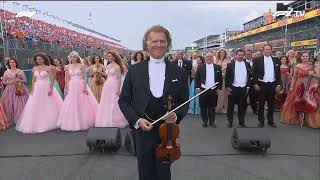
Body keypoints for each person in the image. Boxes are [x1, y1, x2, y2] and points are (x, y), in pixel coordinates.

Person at [119, 25, 189, 180]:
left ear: (168, 44)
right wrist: (136, 120)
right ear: (147, 44)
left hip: (168, 132)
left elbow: (185, 101)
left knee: (164, 173)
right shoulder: (134, 70)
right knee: (145, 173)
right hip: (143, 130)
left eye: (162, 41)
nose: (158, 44)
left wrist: (176, 115)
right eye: (154, 41)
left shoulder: (180, 72)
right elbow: (123, 101)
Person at [16, 53, 63, 134]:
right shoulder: (34, 68)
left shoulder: (48, 68)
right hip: (37, 89)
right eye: (37, 59)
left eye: (40, 59)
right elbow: (33, 80)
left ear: (44, 59)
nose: (39, 61)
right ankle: (37, 122)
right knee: (36, 105)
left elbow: (52, 79)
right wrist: (32, 89)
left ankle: (51, 121)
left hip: (46, 87)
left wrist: (51, 89)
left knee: (49, 104)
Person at [57, 51, 98, 131]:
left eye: (74, 57)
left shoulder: (81, 66)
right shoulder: (67, 67)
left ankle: (85, 119)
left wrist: (84, 87)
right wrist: (66, 87)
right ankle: (72, 120)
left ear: (77, 57)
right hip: (72, 85)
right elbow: (67, 78)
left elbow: (84, 77)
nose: (73, 58)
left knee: (83, 102)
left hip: (80, 84)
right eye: (71, 57)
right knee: (72, 103)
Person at [280, 52, 320, 128]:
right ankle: (297, 119)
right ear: (300, 57)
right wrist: (291, 87)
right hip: (298, 85)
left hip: (309, 86)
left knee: (310, 101)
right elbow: (294, 77)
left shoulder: (313, 65)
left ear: (309, 57)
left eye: (306, 56)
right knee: (295, 101)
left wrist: (313, 74)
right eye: (303, 56)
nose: (305, 58)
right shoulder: (297, 66)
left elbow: (317, 76)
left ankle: (307, 120)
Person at [95, 50, 128, 128]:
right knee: (106, 101)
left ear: (114, 57)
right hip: (107, 85)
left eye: (110, 56)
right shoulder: (108, 66)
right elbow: (107, 75)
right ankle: (106, 119)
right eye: (108, 56)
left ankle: (115, 120)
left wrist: (118, 89)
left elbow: (119, 79)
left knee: (114, 102)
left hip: (114, 85)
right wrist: (100, 72)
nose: (108, 57)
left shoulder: (117, 66)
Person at [252, 44, 281, 128]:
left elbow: (278, 73)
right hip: (261, 84)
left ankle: (270, 121)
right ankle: (261, 121)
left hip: (272, 84)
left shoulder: (276, 60)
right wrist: (255, 84)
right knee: (261, 104)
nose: (267, 51)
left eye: (269, 49)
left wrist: (278, 84)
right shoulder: (257, 60)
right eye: (266, 49)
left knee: (271, 104)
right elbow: (254, 73)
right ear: (263, 50)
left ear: (271, 50)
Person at [195, 52, 223, 128]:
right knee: (203, 107)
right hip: (203, 89)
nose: (209, 58)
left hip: (214, 90)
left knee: (212, 107)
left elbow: (220, 79)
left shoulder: (218, 67)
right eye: (207, 57)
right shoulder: (200, 67)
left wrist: (219, 89)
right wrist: (197, 87)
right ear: (205, 58)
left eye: (210, 57)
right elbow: (197, 78)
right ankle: (204, 121)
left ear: (213, 58)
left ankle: (212, 122)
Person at [225, 49, 251, 128]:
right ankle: (230, 122)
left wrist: (248, 87)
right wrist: (228, 87)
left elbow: (249, 77)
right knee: (230, 106)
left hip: (243, 88)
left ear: (244, 55)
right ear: (236, 55)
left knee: (242, 106)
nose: (240, 57)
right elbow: (227, 77)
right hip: (233, 88)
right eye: (239, 55)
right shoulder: (230, 65)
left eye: (242, 55)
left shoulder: (247, 64)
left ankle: (241, 121)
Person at [1, 57, 30, 125]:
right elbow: (3, 82)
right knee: (10, 103)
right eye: (10, 62)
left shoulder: (20, 71)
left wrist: (19, 80)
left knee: (20, 104)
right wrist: (10, 82)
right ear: (8, 64)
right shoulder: (6, 72)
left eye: (13, 62)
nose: (12, 63)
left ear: (16, 63)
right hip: (10, 89)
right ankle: (12, 118)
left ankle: (22, 118)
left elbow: (25, 81)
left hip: (20, 88)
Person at [215, 48, 230, 114]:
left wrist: (224, 74)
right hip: (217, 79)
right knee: (217, 93)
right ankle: (218, 108)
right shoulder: (216, 60)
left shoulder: (227, 61)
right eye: (220, 52)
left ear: (225, 54)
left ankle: (225, 108)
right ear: (218, 53)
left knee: (224, 93)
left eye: (223, 52)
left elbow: (230, 70)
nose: (222, 53)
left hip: (224, 79)